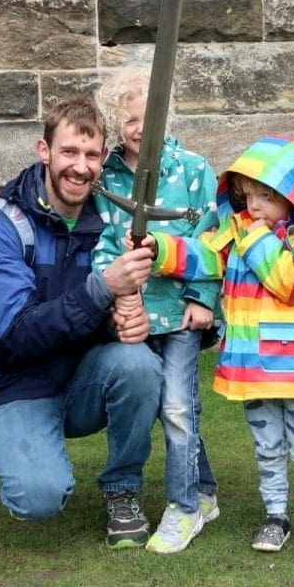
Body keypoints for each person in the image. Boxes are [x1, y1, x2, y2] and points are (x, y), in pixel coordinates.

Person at [0, 94, 163, 549]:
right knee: (38, 499)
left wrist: (127, 321)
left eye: (92, 155)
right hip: (15, 381)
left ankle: (123, 490)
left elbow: (111, 312)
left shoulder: (110, 220)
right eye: (69, 152)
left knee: (140, 364)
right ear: (44, 151)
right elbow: (19, 332)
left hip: (81, 377)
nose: (81, 167)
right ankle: (29, 453)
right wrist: (102, 288)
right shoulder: (2, 225)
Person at [138, 135, 294, 557]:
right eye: (249, 196)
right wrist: (161, 249)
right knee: (267, 449)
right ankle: (276, 515)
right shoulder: (239, 232)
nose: (254, 207)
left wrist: (253, 238)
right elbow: (203, 256)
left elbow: (293, 283)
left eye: (266, 196)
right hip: (253, 368)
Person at [92, 69, 221, 554]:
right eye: (130, 119)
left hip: (182, 314)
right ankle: (205, 492)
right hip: (138, 317)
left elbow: (213, 241)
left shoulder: (192, 170)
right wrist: (120, 289)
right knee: (167, 407)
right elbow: (101, 247)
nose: (141, 127)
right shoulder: (108, 181)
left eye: (152, 116)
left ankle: (184, 508)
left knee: (178, 408)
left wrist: (202, 297)